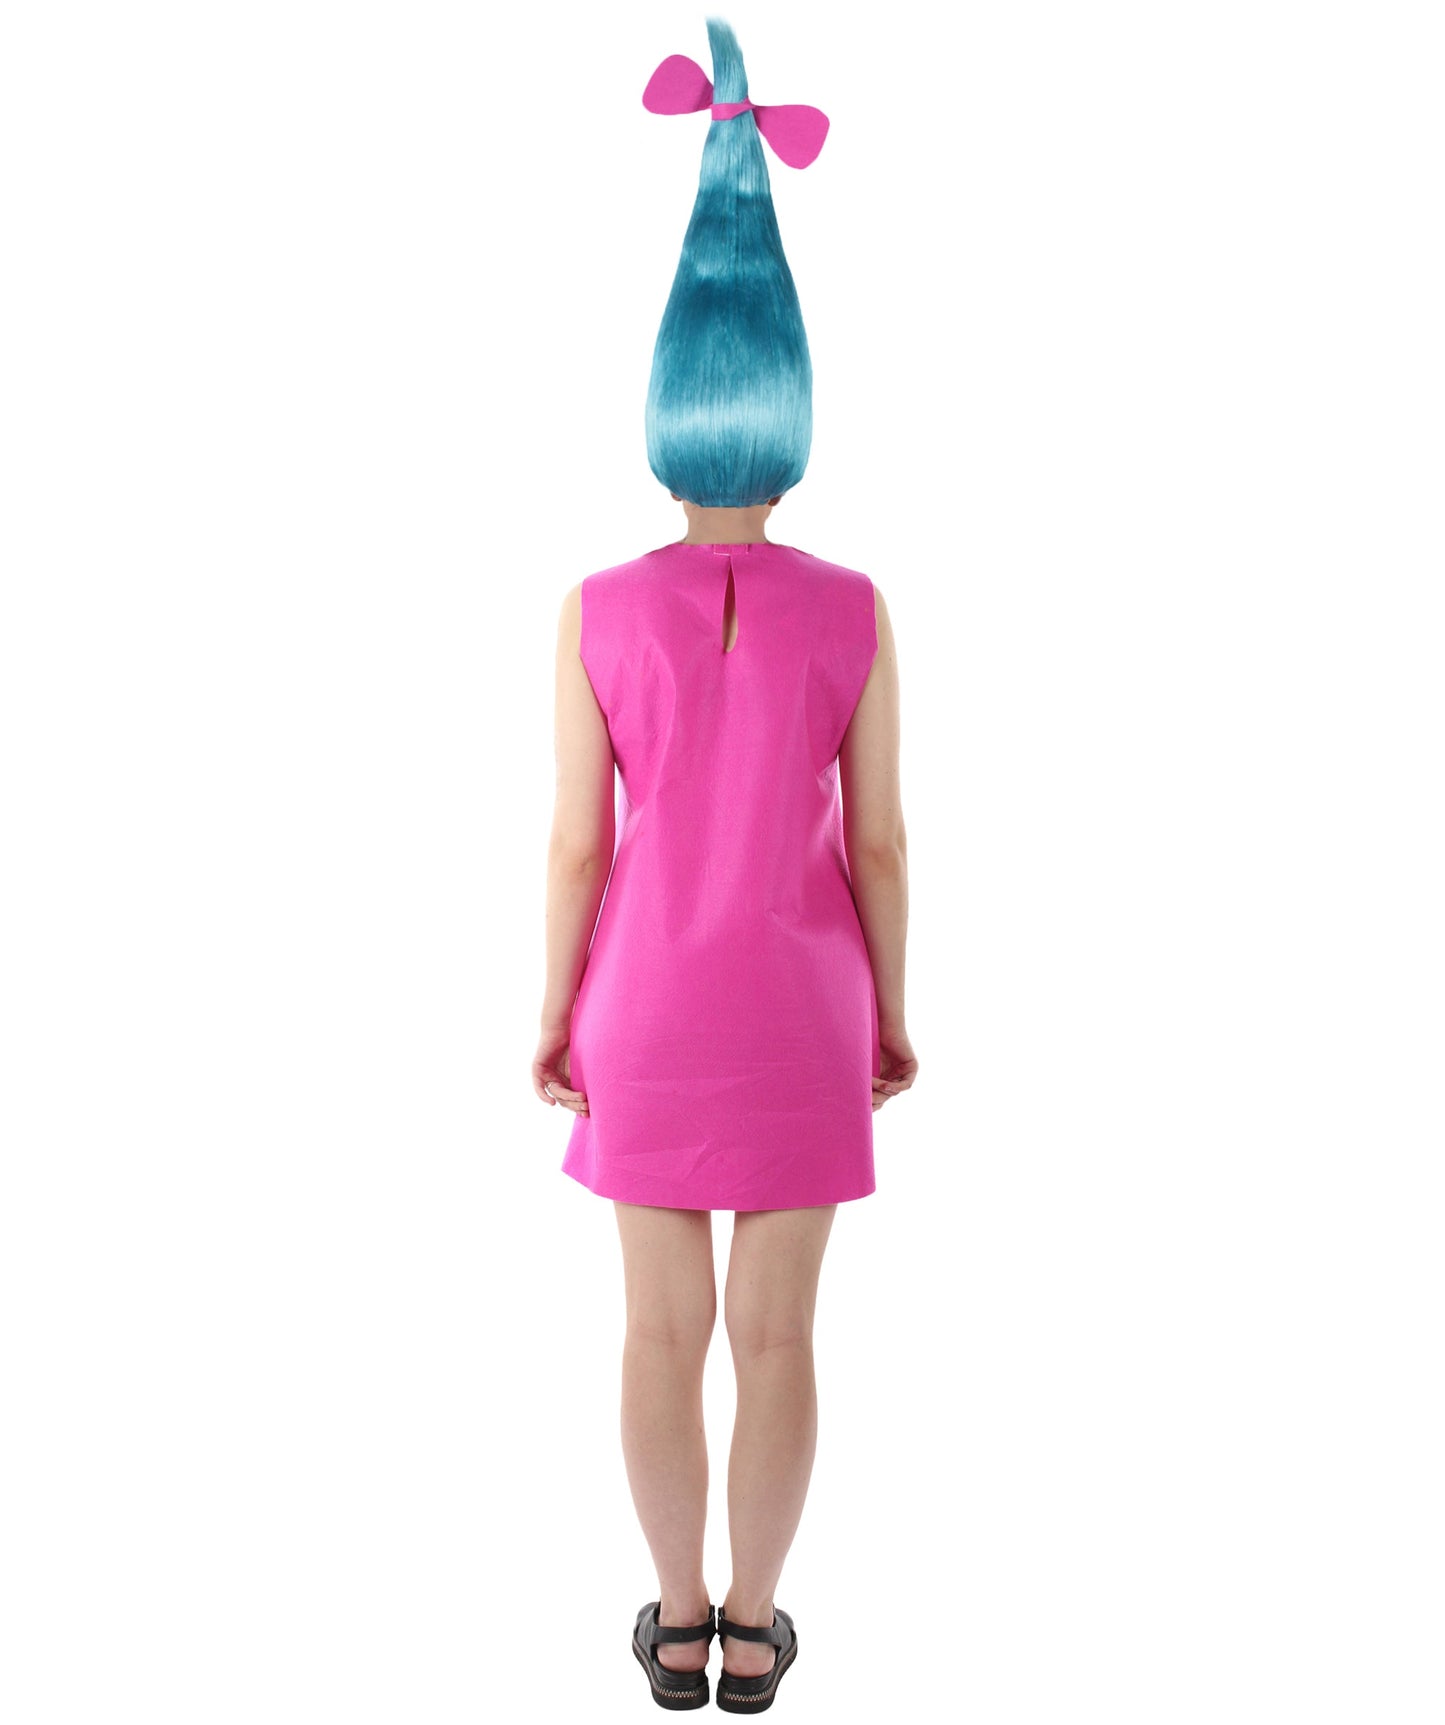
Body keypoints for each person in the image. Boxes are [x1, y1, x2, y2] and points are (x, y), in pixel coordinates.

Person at [532, 19, 916, 1712]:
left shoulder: (597, 610)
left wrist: (554, 1012)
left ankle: (673, 1619)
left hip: (645, 1006)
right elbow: (880, 839)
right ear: (792, 395)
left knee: (655, 1332)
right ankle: (757, 1625)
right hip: (800, 1005)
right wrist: (888, 1012)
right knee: (777, 1336)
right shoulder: (856, 610)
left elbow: (576, 840)